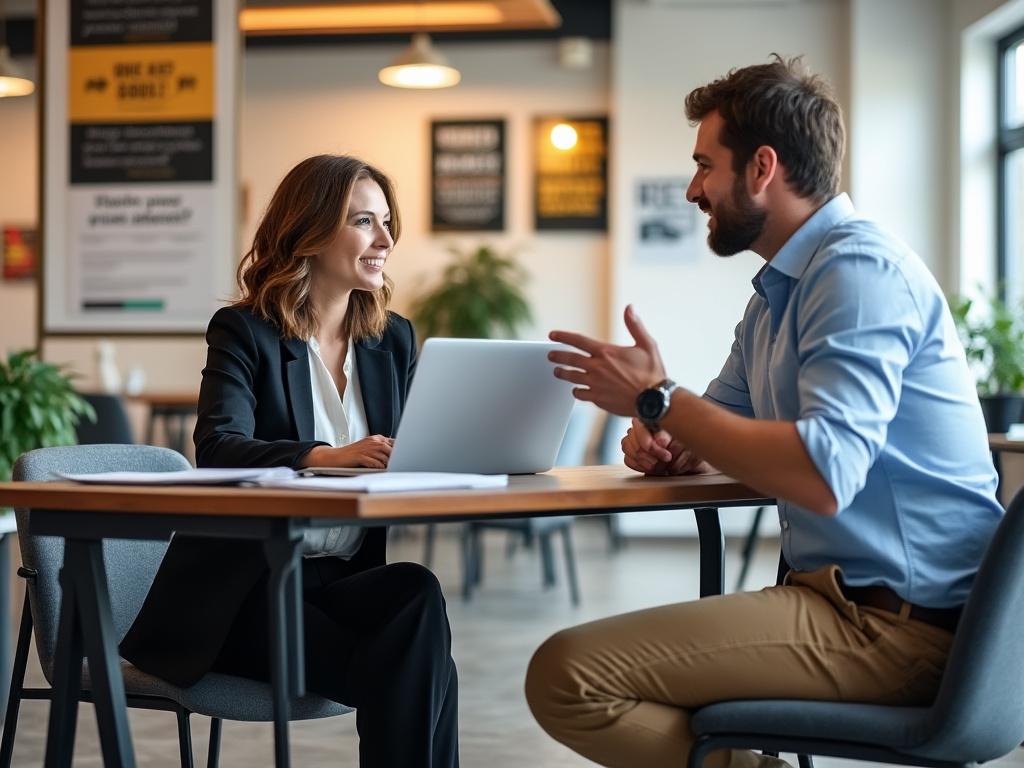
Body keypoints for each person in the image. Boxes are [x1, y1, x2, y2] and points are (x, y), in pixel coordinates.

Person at [524, 57, 1003, 768]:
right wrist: (667, 437)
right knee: (581, 671)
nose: (693, 189)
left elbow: (820, 476)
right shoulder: (776, 296)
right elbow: (709, 425)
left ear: (761, 169)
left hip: (900, 629)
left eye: (704, 165)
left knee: (569, 676)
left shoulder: (857, 272)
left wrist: (659, 400)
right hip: (843, 606)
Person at [120, 154, 459, 767]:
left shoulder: (393, 339)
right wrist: (327, 457)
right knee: (422, 671)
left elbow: (412, 452)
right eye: (364, 221)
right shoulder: (244, 331)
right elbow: (218, 447)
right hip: (246, 595)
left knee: (416, 592)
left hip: (339, 584)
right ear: (310, 230)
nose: (385, 240)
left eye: (386, 223)